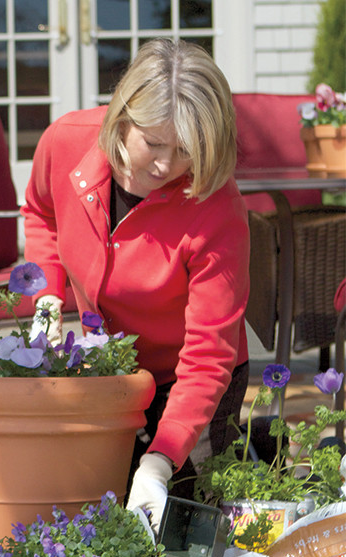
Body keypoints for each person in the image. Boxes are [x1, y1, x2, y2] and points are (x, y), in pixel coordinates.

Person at [21, 38, 249, 531]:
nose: (166, 166)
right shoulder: (65, 142)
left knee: (178, 528)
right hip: (109, 372)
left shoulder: (216, 205)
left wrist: (161, 459)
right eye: (154, 143)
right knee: (90, 513)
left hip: (187, 381)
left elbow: (209, 353)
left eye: (186, 150)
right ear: (123, 117)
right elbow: (40, 212)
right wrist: (46, 297)